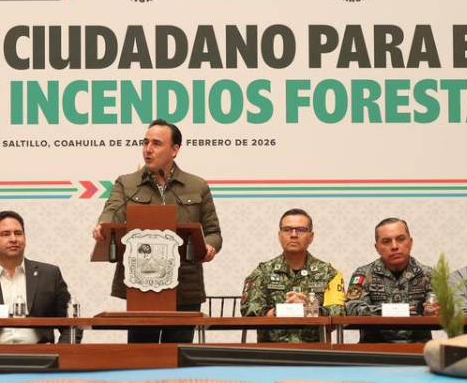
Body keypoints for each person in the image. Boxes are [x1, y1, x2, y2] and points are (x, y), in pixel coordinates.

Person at [93, 119, 221, 343]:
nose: (148, 149)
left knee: (179, 357)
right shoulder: (127, 183)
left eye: (156, 143)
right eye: (145, 142)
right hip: (141, 284)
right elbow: (112, 212)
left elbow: (213, 232)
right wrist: (103, 225)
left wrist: (210, 246)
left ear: (174, 150)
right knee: (142, 357)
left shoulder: (197, 186)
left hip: (185, 285)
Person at [0, 210, 78, 344]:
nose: (13, 239)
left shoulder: (49, 275)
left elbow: (72, 323)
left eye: (18, 233)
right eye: (5, 234)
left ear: (25, 239)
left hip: (40, 353)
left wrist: (61, 351)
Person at [240, 209, 346, 343]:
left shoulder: (329, 273)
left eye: (301, 230)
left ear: (311, 236)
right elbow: (249, 310)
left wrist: (309, 310)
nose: (294, 235)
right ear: (279, 235)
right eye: (287, 230)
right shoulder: (263, 272)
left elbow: (339, 313)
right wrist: (282, 311)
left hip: (316, 351)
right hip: (272, 351)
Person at [345, 217, 435, 343]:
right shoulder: (364, 274)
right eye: (386, 241)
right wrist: (388, 311)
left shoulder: (428, 274)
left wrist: (434, 312)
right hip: (374, 348)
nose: (394, 246)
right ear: (377, 248)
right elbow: (351, 309)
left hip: (419, 348)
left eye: (401, 239)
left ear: (410, 242)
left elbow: (443, 309)